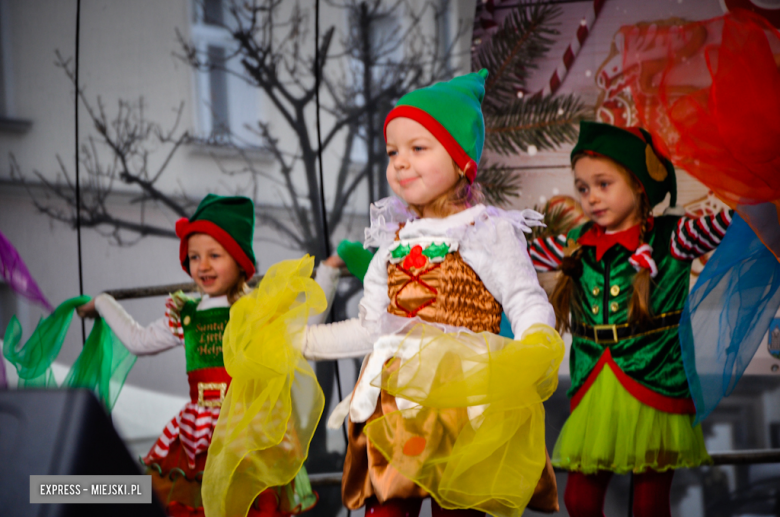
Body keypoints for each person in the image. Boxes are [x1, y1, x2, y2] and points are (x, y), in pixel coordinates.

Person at [294, 69, 564, 517]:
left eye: (418, 148)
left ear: (461, 161)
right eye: (392, 151)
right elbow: (372, 328)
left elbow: (524, 298)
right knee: (387, 505)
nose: (400, 162)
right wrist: (301, 342)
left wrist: (536, 338)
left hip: (465, 396)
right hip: (398, 403)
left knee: (458, 506)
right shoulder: (394, 245)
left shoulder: (487, 231)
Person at [77, 194, 341, 517]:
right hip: (196, 437)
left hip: (247, 436)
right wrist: (104, 303)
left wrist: (329, 272)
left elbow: (305, 327)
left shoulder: (256, 312)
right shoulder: (186, 315)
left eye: (214, 255)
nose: (202, 265)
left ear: (240, 260)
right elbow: (139, 340)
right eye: (194, 256)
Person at [529, 121, 733, 517]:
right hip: (596, 387)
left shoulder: (674, 238)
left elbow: (732, 225)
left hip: (656, 380)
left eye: (604, 184)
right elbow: (514, 257)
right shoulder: (576, 243)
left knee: (649, 504)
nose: (591, 198)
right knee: (579, 500)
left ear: (639, 185)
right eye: (583, 188)